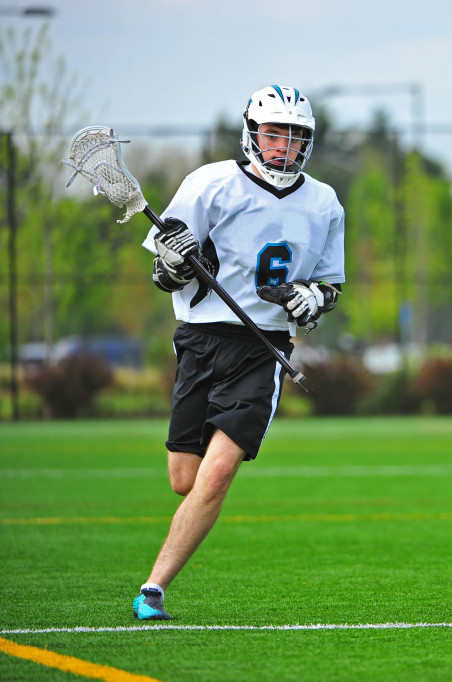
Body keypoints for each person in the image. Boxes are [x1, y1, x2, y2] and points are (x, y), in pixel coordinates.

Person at [132, 85, 345, 620]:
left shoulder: (323, 202)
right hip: (202, 339)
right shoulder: (209, 184)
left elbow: (330, 287)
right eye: (274, 132)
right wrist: (176, 265)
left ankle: (153, 589)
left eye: (295, 135)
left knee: (220, 469)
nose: (283, 145)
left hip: (263, 348)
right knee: (185, 478)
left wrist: (311, 299)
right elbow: (163, 271)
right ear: (252, 132)